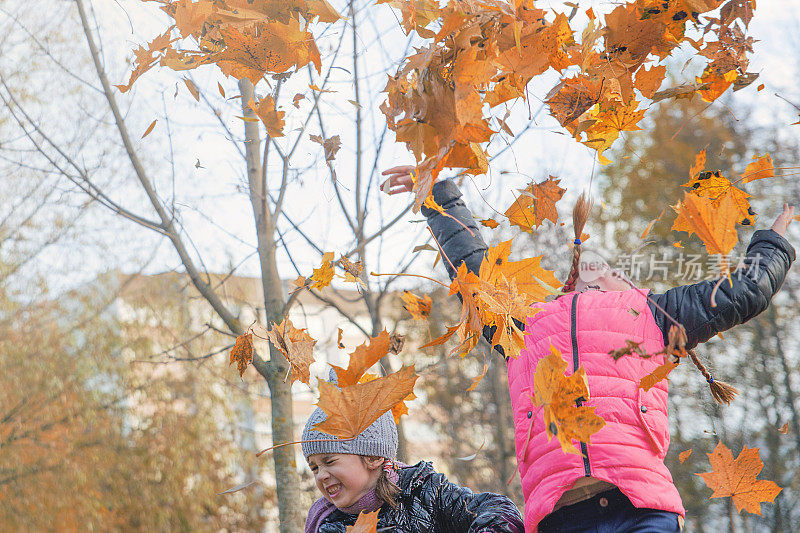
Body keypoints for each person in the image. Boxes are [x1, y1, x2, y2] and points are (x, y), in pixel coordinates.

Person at [381, 166, 796, 533]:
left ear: (625, 284)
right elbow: (473, 271)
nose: (596, 270)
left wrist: (773, 244)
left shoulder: (652, 315)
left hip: (639, 508)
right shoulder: (527, 327)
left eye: (610, 269)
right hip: (563, 516)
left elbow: (743, 293)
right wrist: (436, 195)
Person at [302, 370, 525, 533]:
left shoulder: (426, 491)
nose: (321, 475)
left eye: (329, 461)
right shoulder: (330, 525)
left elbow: (497, 508)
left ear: (372, 457)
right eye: (314, 468)